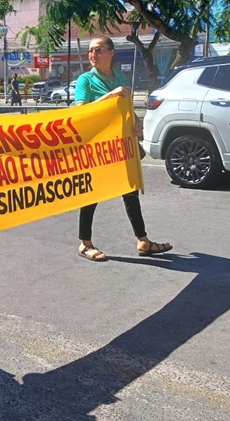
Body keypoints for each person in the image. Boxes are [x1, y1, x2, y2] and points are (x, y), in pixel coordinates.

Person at [74, 36, 172, 261]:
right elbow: (81, 112)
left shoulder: (119, 76)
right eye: (90, 51)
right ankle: (85, 243)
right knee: (93, 193)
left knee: (130, 191)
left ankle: (143, 241)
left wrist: (136, 121)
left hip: (120, 146)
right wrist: (111, 95)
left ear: (111, 52)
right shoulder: (85, 80)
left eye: (98, 50)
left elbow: (124, 106)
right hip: (96, 147)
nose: (93, 55)